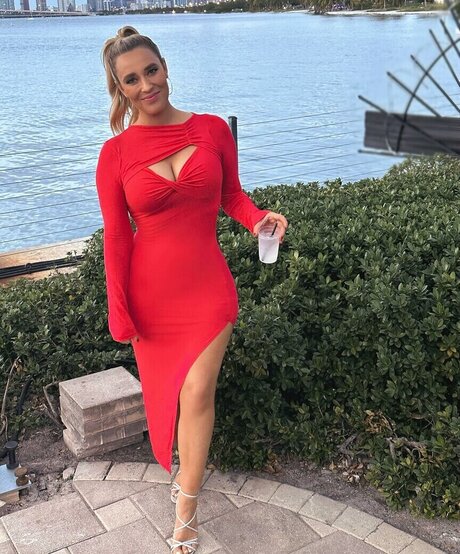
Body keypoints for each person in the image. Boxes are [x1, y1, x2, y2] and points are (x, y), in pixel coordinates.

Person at [96, 25, 288, 554]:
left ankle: (186, 507)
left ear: (165, 67)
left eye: (151, 70)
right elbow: (117, 237)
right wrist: (119, 308)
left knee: (198, 392)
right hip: (150, 294)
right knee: (171, 397)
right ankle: (184, 482)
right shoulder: (114, 154)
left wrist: (258, 220)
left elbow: (232, 196)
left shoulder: (210, 129)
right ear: (120, 88)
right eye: (131, 79)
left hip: (207, 286)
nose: (146, 85)